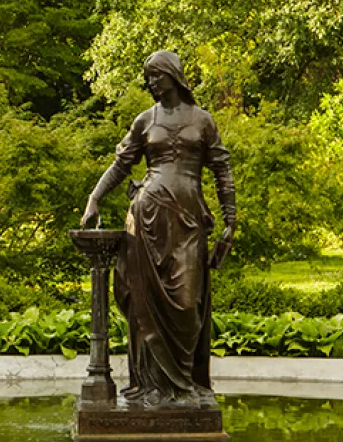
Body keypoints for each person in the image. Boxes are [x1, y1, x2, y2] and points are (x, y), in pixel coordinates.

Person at [80, 50, 235, 408]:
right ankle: (153, 387)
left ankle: (184, 384)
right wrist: (94, 198)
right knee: (143, 304)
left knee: (187, 303)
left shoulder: (203, 121)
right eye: (147, 76)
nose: (150, 82)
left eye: (155, 75)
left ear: (173, 76)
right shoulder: (144, 121)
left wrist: (231, 220)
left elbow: (222, 171)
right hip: (146, 220)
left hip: (188, 222)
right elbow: (121, 165)